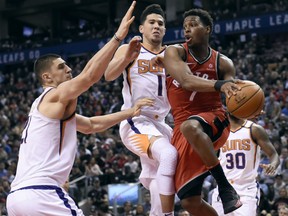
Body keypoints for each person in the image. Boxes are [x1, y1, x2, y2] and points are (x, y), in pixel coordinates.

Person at [6, 2, 152, 215]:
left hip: (17, 198)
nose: (68, 69)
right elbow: (90, 77)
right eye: (61, 67)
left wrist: (130, 111)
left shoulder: (45, 108)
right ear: (47, 77)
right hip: (42, 193)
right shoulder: (54, 95)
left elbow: (91, 125)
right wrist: (117, 38)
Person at [155, 8, 243, 216]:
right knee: (189, 201)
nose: (187, 30)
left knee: (190, 126)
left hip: (214, 119)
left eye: (193, 25)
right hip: (183, 130)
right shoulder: (174, 52)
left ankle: (225, 187)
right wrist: (220, 84)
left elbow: (234, 101)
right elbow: (186, 81)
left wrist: (246, 105)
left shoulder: (223, 62)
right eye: (185, 27)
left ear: (207, 29)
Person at [104, 4, 178, 216]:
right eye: (152, 23)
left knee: (160, 176)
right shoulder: (129, 49)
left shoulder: (173, 54)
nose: (157, 27)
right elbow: (108, 75)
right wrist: (127, 56)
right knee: (168, 154)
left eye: (161, 24)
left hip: (161, 124)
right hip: (135, 121)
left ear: (165, 31)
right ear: (142, 29)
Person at [211, 114, 280, 216]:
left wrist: (273, 165)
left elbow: (274, 154)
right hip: (223, 188)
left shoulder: (254, 129)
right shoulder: (221, 130)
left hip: (246, 189)